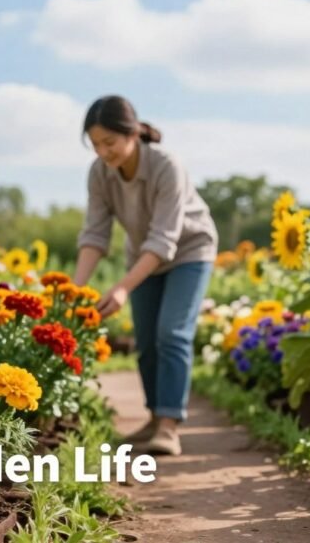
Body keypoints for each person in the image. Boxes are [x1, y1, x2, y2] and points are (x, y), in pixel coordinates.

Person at [73, 95, 217, 456]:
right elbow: (95, 234)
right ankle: (154, 419)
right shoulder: (99, 174)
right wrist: (73, 290)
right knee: (146, 341)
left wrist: (122, 288)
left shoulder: (166, 165)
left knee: (172, 332)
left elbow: (165, 239)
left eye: (110, 142)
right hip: (143, 257)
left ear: (133, 133)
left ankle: (169, 426)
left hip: (188, 252)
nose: (104, 152)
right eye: (96, 145)